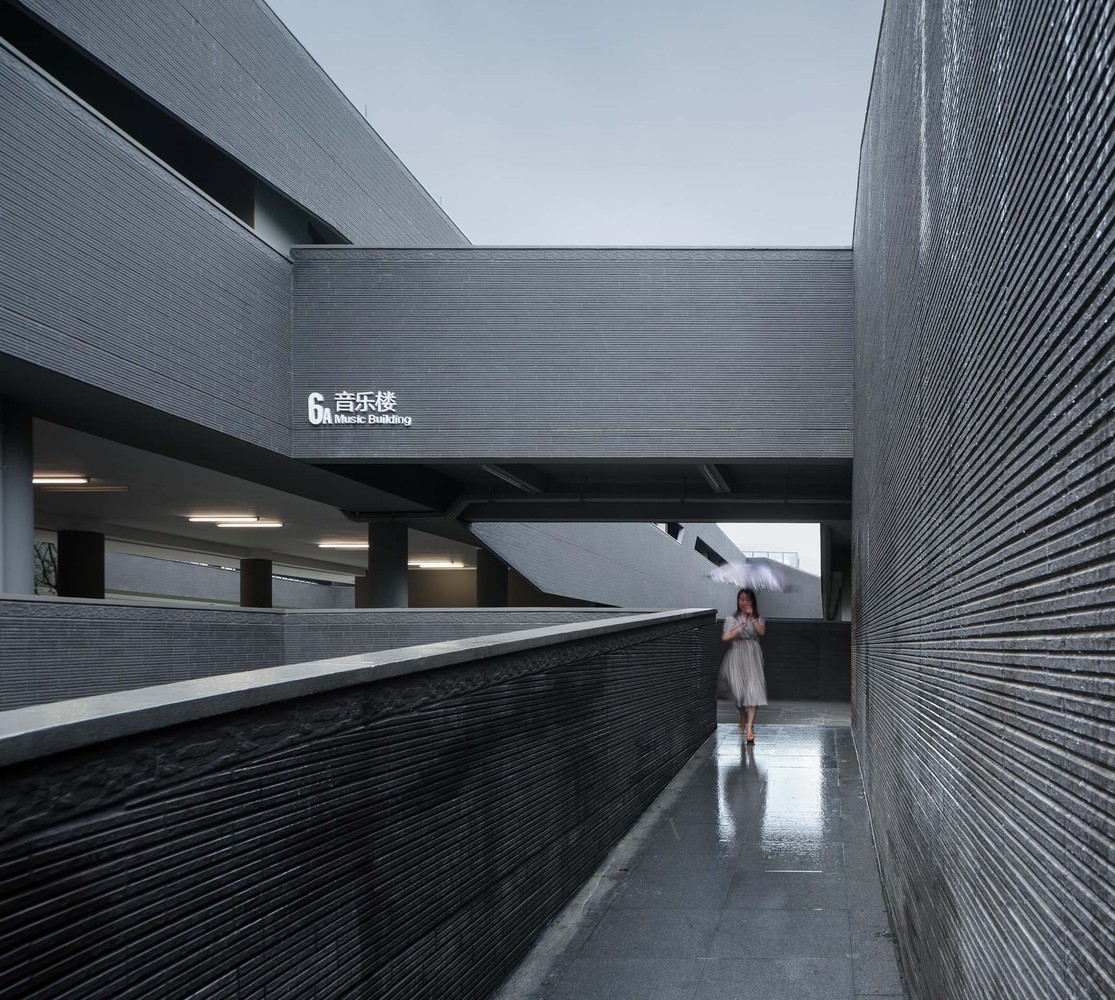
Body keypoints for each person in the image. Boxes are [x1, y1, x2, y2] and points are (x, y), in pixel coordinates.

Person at [718, 588, 767, 743]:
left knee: (753, 691)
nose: (744, 602)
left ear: (752, 601)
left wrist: (752, 616)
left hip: (752, 656)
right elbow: (725, 637)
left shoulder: (757, 617)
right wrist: (736, 630)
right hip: (737, 656)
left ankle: (750, 727)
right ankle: (742, 714)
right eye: (742, 599)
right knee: (739, 694)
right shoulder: (732, 619)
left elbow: (761, 632)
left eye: (747, 599)